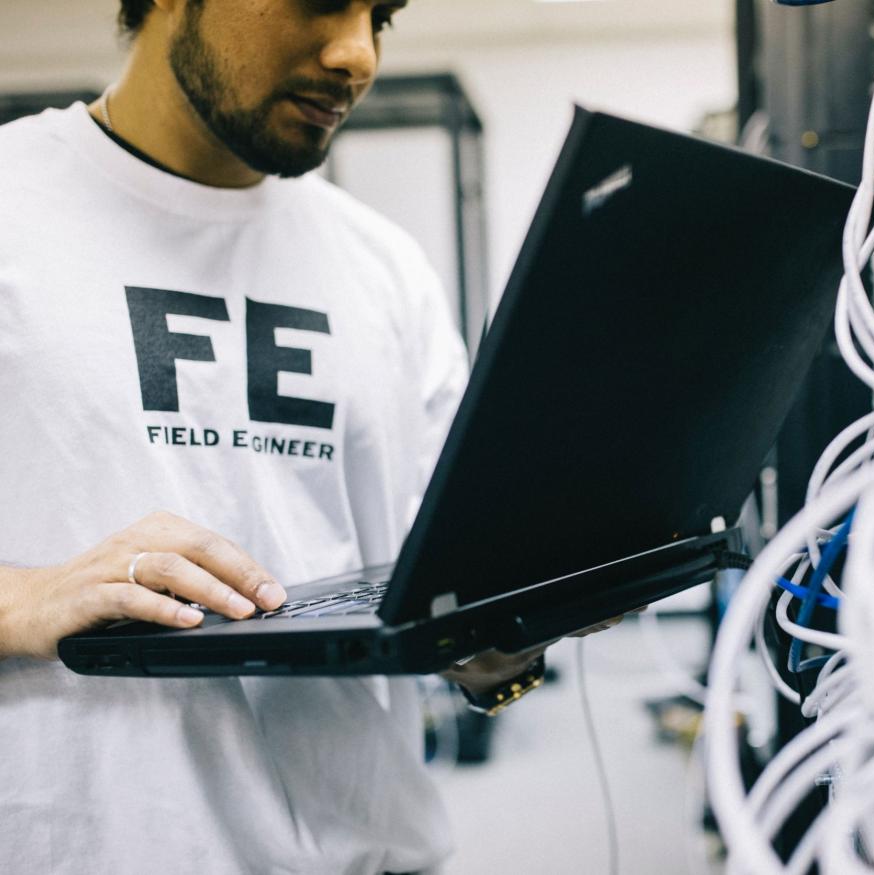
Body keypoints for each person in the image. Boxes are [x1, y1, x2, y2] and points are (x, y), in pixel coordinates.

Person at [0, 1, 573, 872]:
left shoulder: (386, 268)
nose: (357, 56)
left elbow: (452, 610)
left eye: (380, 14)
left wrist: (508, 639)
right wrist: (23, 598)